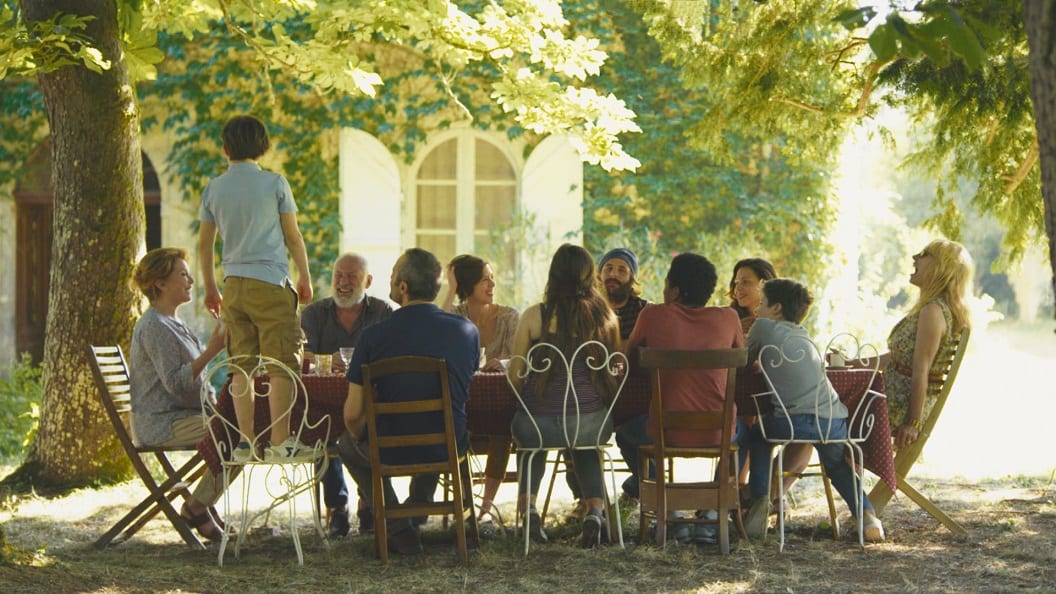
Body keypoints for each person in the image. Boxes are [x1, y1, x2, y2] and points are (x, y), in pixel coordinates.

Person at [336, 248, 479, 556]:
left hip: (391, 447)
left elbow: (351, 415)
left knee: (346, 443)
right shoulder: (467, 332)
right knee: (440, 424)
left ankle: (400, 526)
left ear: (403, 287)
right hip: (448, 445)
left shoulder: (373, 337)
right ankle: (415, 512)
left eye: (392, 276)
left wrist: (362, 434)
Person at [198, 115, 313, 464]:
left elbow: (204, 244)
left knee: (240, 366)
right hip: (271, 282)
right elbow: (293, 236)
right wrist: (305, 276)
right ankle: (280, 442)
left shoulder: (214, 188)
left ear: (225, 148)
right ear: (263, 146)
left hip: (234, 285)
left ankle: (245, 443)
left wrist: (211, 288)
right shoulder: (275, 183)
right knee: (281, 364)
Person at [742, 278, 884, 542]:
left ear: (776, 308)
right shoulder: (803, 334)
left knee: (757, 436)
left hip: (792, 422)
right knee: (836, 465)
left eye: (762, 303)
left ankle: (760, 500)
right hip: (833, 420)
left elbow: (742, 361)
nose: (757, 308)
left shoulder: (762, 326)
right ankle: (867, 516)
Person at [619, 253, 744, 544]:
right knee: (747, 433)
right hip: (719, 432)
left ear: (673, 290)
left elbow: (631, 361)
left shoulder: (652, 315)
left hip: (663, 430)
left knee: (626, 434)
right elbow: (742, 358)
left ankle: (668, 508)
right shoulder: (729, 317)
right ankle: (712, 513)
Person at [509, 244, 621, 549]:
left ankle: (529, 510)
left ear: (553, 275)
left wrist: (528, 404)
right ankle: (594, 512)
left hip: (540, 422)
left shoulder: (535, 316)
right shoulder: (605, 318)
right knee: (585, 445)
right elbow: (614, 369)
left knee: (530, 439)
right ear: (589, 276)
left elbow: (516, 372)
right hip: (591, 421)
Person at [129, 248, 229, 541]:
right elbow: (176, 383)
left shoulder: (174, 323)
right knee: (237, 435)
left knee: (241, 429)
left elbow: (196, 379)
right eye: (182, 274)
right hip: (162, 423)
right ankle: (196, 508)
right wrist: (212, 350)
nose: (191, 281)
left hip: (185, 416)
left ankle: (201, 508)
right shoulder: (155, 327)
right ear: (160, 283)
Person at [300, 253, 393, 537]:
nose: (343, 282)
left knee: (373, 430)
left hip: (369, 398)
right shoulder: (314, 313)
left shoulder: (382, 312)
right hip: (325, 401)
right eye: (338, 276)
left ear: (367, 281)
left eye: (351, 277)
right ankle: (337, 507)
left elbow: (390, 353)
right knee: (322, 428)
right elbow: (300, 354)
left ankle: (368, 501)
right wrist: (327, 359)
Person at [441, 254, 520, 524]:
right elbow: (437, 324)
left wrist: (506, 362)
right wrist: (450, 288)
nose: (491, 285)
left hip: (501, 405)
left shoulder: (510, 317)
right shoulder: (457, 317)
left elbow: (523, 358)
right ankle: (464, 504)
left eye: (492, 279)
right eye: (484, 279)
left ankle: (485, 507)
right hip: (464, 405)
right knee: (455, 428)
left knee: (502, 427)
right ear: (468, 284)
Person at [727, 258, 777, 336]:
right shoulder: (728, 319)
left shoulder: (782, 320)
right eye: (736, 283)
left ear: (764, 284)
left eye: (745, 282)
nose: (738, 288)